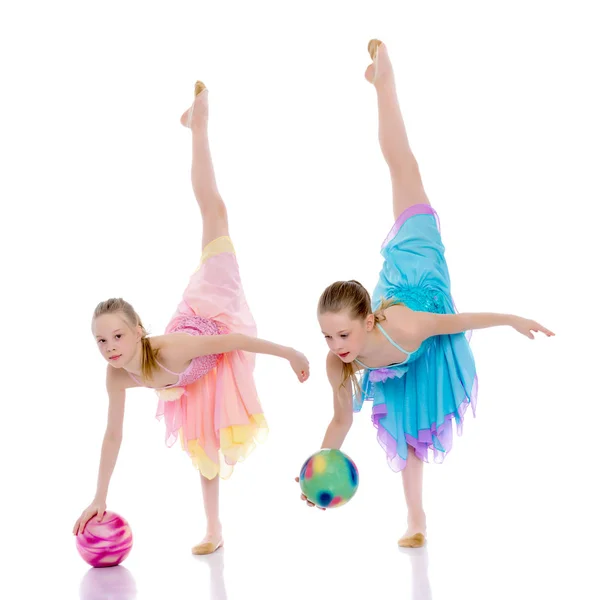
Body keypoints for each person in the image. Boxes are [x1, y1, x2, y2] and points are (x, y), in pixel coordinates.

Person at [300, 40, 554, 548]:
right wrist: (317, 468)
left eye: (342, 334)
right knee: (407, 431)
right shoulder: (341, 362)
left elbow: (460, 322)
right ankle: (416, 520)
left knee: (401, 166)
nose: (335, 346)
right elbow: (340, 417)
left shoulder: (405, 325)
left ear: (368, 322)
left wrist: (511, 318)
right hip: (394, 344)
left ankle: (383, 80)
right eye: (327, 337)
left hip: (418, 271)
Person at [73, 82, 310, 555]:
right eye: (101, 341)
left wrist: (288, 352)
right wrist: (99, 496)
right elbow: (112, 434)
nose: (111, 347)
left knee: (215, 211)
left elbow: (234, 341)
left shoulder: (171, 348)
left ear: (139, 332)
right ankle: (213, 529)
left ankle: (198, 123)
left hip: (213, 305)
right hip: (191, 378)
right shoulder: (116, 376)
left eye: (117, 335)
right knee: (203, 449)